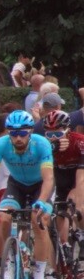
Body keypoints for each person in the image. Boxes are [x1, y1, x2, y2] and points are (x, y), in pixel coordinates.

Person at [0, 110, 54, 279]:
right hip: (17, 185)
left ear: (30, 132)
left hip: (40, 186)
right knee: (5, 217)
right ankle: (10, 260)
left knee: (37, 221)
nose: (18, 138)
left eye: (22, 133)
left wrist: (42, 201)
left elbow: (48, 178)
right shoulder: (1, 144)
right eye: (13, 133)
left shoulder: (42, 144)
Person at [40, 111, 83, 260]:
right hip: (58, 178)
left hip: (78, 176)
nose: (53, 138)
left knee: (75, 205)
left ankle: (81, 232)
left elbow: (81, 177)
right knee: (59, 213)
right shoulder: (46, 145)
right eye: (49, 135)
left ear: (68, 130)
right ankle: (64, 246)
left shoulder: (79, 142)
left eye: (57, 135)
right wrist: (52, 149)